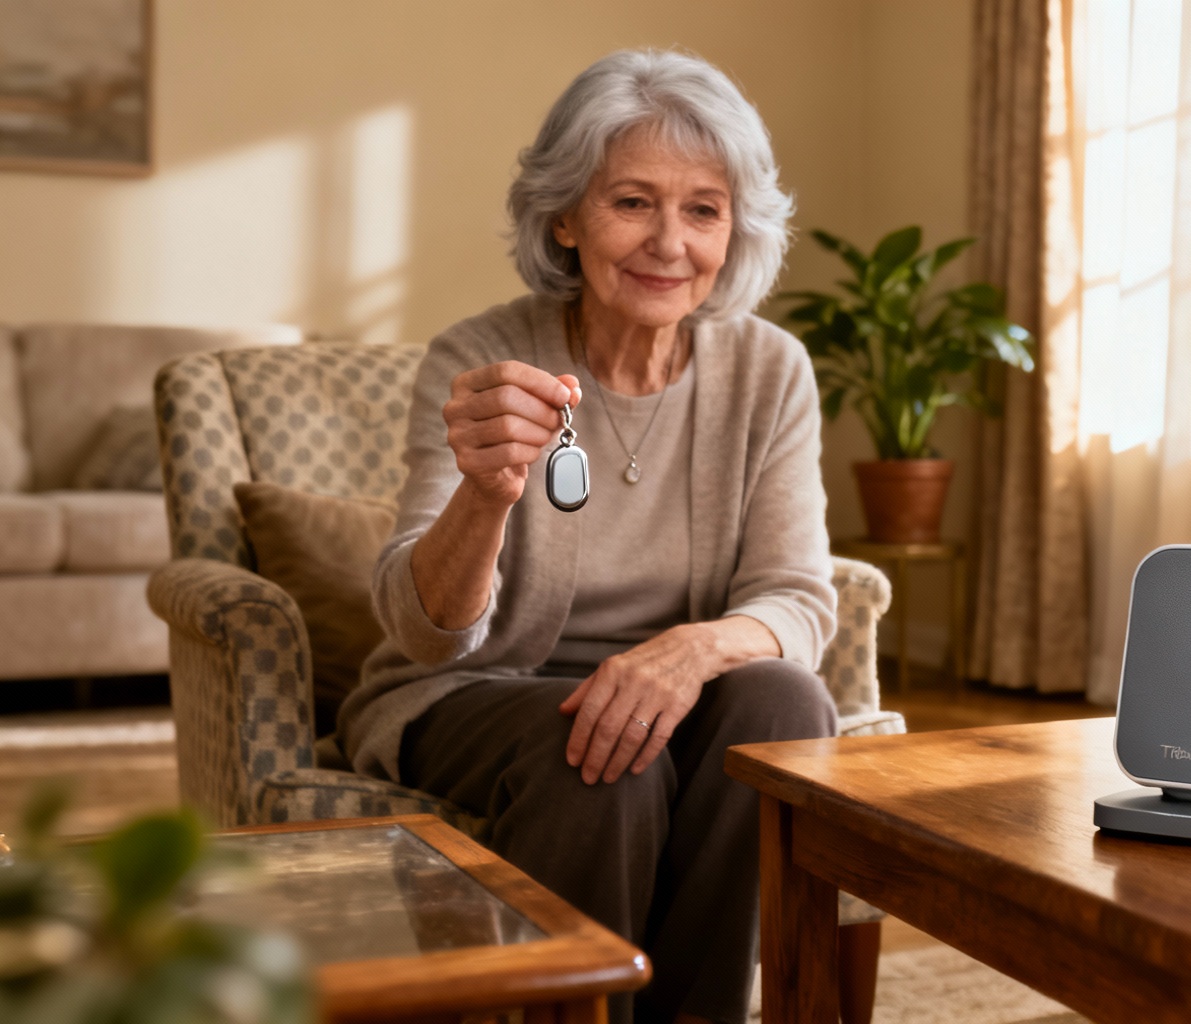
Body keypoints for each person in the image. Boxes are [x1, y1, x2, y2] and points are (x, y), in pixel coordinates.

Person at [337, 49, 837, 1024]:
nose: (668, 243)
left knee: (781, 698)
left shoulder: (769, 369)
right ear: (564, 216)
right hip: (481, 690)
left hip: (676, 690)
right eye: (631, 202)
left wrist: (685, 653)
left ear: (734, 233)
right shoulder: (483, 355)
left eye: (703, 209)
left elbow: (798, 597)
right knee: (604, 757)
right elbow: (425, 630)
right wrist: (485, 494)